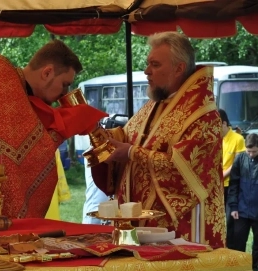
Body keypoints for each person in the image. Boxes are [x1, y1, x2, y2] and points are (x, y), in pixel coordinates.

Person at [91, 31, 225, 247]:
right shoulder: (155, 105)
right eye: (147, 64)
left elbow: (186, 171)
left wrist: (130, 152)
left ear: (178, 68)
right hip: (138, 226)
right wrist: (102, 136)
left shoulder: (202, 115)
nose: (146, 71)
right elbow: (129, 137)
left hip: (182, 229)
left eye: (155, 65)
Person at [0, 39, 107, 218]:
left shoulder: (20, 92)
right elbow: (17, 160)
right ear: (47, 72)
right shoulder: (7, 92)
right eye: (64, 84)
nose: (64, 93)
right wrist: (61, 131)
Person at [227, 133, 258, 271]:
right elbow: (233, 185)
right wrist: (233, 206)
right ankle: (238, 267)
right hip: (241, 210)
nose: (251, 154)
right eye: (248, 151)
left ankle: (255, 267)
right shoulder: (240, 159)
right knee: (238, 240)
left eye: (254, 151)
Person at [219, 108, 245, 248]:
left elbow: (237, 163)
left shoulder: (238, 139)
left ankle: (232, 249)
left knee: (230, 220)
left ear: (224, 123)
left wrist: (222, 175)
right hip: (217, 186)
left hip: (231, 186)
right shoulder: (216, 139)